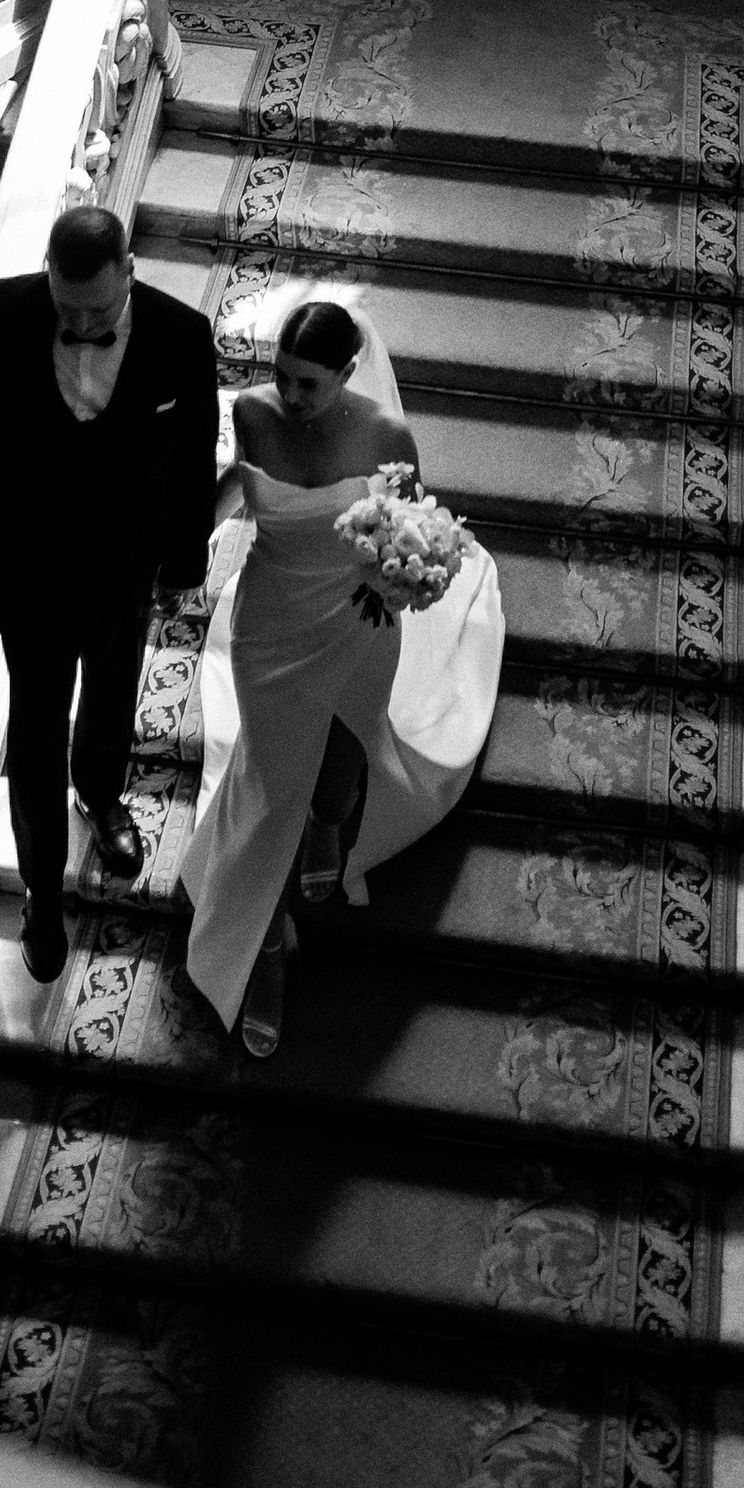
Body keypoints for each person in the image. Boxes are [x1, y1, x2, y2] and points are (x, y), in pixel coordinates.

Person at [0, 204, 217, 985]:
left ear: (128, 274)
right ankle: (40, 892)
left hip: (124, 567)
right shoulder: (7, 308)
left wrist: (185, 558)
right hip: (30, 561)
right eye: (67, 309)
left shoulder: (180, 332)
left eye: (97, 310)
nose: (79, 319)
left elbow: (196, 445)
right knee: (35, 725)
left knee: (110, 692)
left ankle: (102, 798)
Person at [180, 291, 504, 1058]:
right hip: (272, 626)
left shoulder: (387, 433)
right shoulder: (253, 413)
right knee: (267, 784)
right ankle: (260, 954)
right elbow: (243, 484)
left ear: (349, 372)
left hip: (359, 619)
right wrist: (188, 531)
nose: (290, 396)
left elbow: (413, 520)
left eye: (309, 383)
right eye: (282, 375)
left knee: (341, 766)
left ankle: (331, 823)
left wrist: (402, 579)